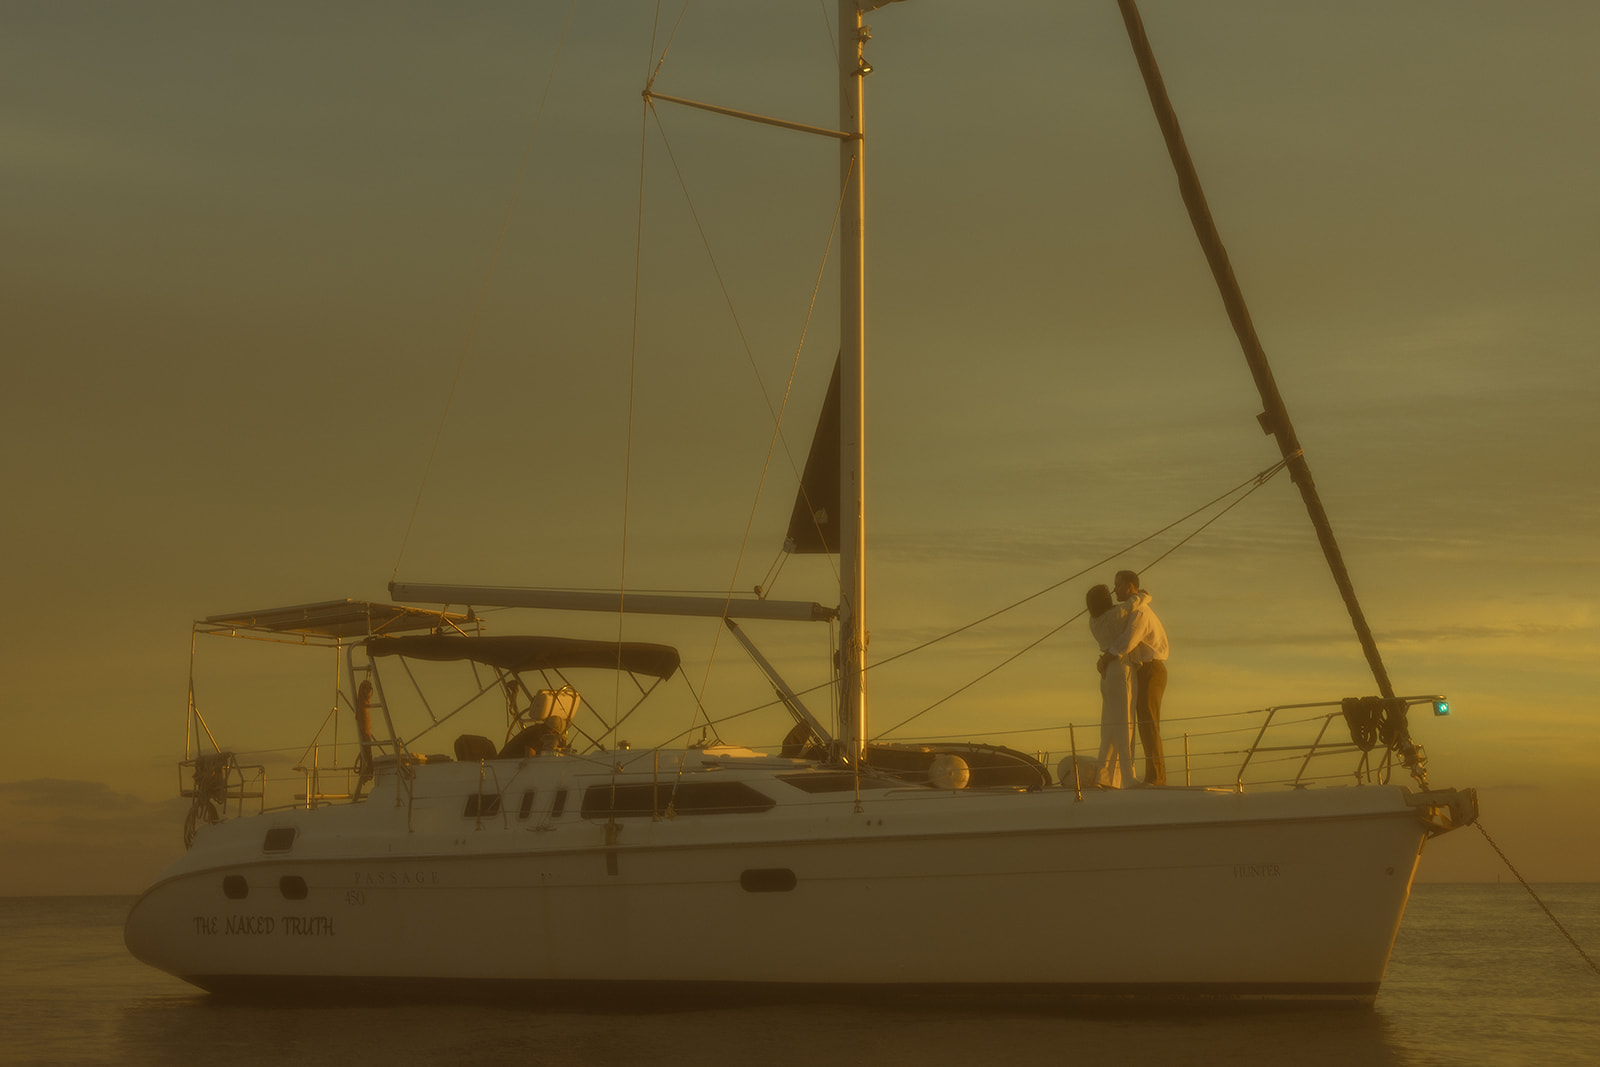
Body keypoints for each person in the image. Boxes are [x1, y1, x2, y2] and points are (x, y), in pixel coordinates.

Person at [1097, 569, 1170, 785]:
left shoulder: (1141, 613)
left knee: (1148, 722)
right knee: (1144, 722)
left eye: (1118, 585)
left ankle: (1156, 778)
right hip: (1144, 670)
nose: (1114, 590)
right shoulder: (1135, 608)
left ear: (1130, 586)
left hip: (1151, 669)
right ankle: (1152, 776)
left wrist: (1106, 658)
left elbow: (1128, 640)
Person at [1086, 584, 1136, 788]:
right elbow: (1133, 603)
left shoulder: (1094, 621)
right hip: (1119, 669)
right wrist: (1144, 596)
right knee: (1125, 725)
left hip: (1105, 675)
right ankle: (1128, 778)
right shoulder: (1116, 614)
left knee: (1108, 729)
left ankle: (1104, 778)